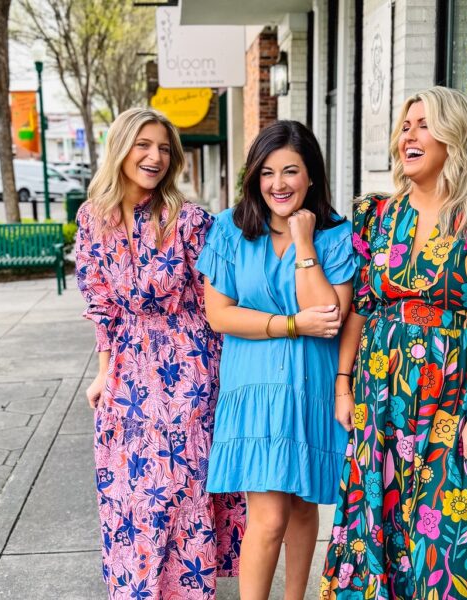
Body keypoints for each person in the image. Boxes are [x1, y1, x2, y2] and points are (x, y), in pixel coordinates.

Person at [321, 86, 467, 599]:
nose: (409, 136)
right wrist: (343, 385)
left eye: (423, 124)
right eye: (405, 125)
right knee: (375, 524)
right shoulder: (376, 215)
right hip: (379, 398)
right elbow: (359, 309)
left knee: (446, 539)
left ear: (455, 136)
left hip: (454, 401)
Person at [75, 107, 245, 599]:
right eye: (144, 145)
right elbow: (100, 305)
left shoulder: (189, 220)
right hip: (128, 366)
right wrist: (103, 374)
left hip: (186, 365)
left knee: (177, 489)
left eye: (164, 148)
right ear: (120, 148)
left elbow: (219, 293)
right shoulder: (93, 217)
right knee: (128, 494)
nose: (154, 157)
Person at [197, 120, 355, 600]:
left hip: (313, 386)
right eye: (267, 172)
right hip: (255, 387)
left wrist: (305, 243)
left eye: (290, 171)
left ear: (311, 177)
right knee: (268, 518)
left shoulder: (335, 234)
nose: (278, 184)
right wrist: (289, 324)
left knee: (305, 508)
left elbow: (330, 314)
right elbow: (218, 313)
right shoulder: (231, 229)